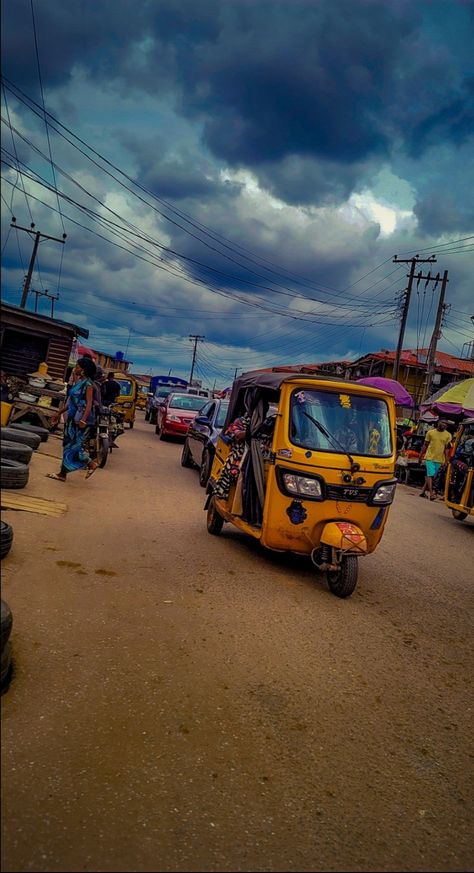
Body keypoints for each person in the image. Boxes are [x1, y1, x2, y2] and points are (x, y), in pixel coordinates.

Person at [47, 357, 99, 482]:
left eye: (77, 366)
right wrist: (58, 413)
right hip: (71, 419)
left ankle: (90, 463)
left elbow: (89, 404)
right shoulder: (79, 382)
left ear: (83, 370)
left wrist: (83, 420)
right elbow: (72, 403)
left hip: (78, 421)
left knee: (74, 446)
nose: (75, 368)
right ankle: (63, 473)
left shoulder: (88, 385)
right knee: (68, 445)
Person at [419, 419, 452, 501]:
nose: (444, 425)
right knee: (431, 475)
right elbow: (425, 445)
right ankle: (431, 493)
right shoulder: (430, 433)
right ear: (438, 423)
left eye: (445, 424)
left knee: (432, 476)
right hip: (429, 457)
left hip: (440, 459)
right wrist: (420, 456)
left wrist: (446, 460)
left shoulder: (448, 435)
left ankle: (423, 491)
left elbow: (446, 449)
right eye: (442, 422)